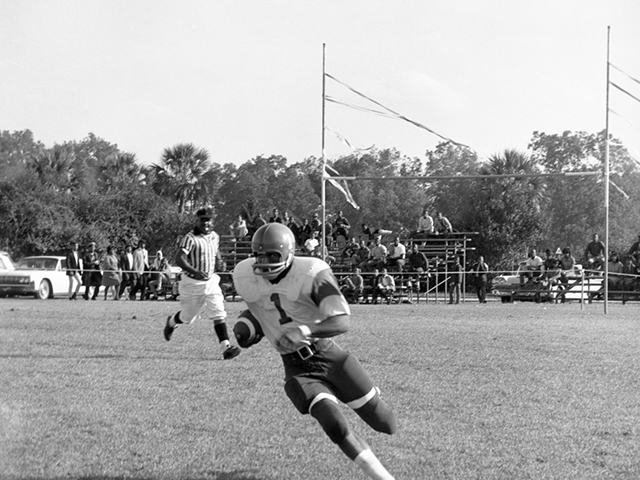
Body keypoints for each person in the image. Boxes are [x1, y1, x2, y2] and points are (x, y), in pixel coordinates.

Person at [232, 223, 397, 479]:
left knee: (387, 424)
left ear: (289, 253)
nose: (264, 262)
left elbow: (342, 321)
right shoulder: (245, 276)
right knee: (334, 424)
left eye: (272, 255)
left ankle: (368, 393)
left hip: (329, 355)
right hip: (296, 368)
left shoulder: (311, 271)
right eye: (259, 255)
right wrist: (248, 329)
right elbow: (263, 310)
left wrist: (305, 331)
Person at [163, 207, 241, 360]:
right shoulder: (190, 238)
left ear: (213, 221)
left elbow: (215, 250)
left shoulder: (214, 236)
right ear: (197, 221)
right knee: (187, 318)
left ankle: (226, 347)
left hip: (211, 281)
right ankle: (171, 322)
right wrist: (195, 271)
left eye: (208, 219)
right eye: (202, 219)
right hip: (192, 283)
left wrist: (219, 260)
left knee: (218, 312)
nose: (205, 223)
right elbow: (179, 258)